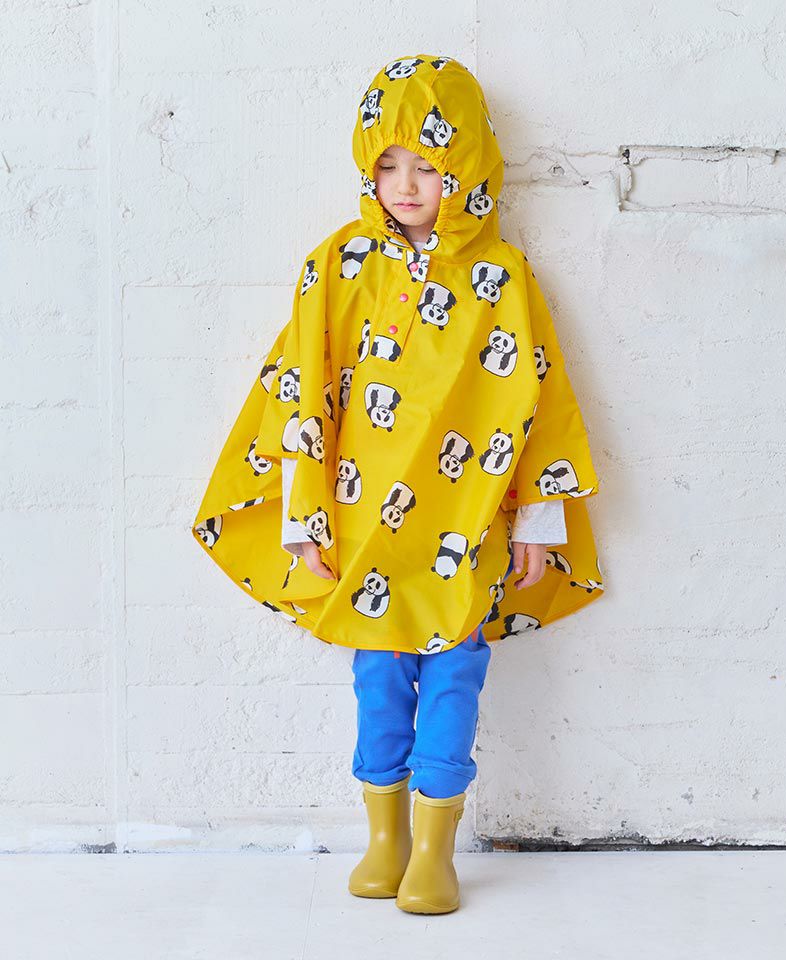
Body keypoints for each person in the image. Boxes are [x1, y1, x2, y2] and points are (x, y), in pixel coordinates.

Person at [191, 53, 603, 915]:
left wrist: (538, 523)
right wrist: (303, 519)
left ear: (468, 166)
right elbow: (300, 394)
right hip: (363, 528)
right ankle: (387, 841)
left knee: (454, 682)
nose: (407, 184)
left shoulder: (504, 278)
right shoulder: (337, 267)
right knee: (377, 683)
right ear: (366, 168)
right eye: (389, 164)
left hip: (465, 527)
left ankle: (436, 854)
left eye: (429, 164)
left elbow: (539, 399)